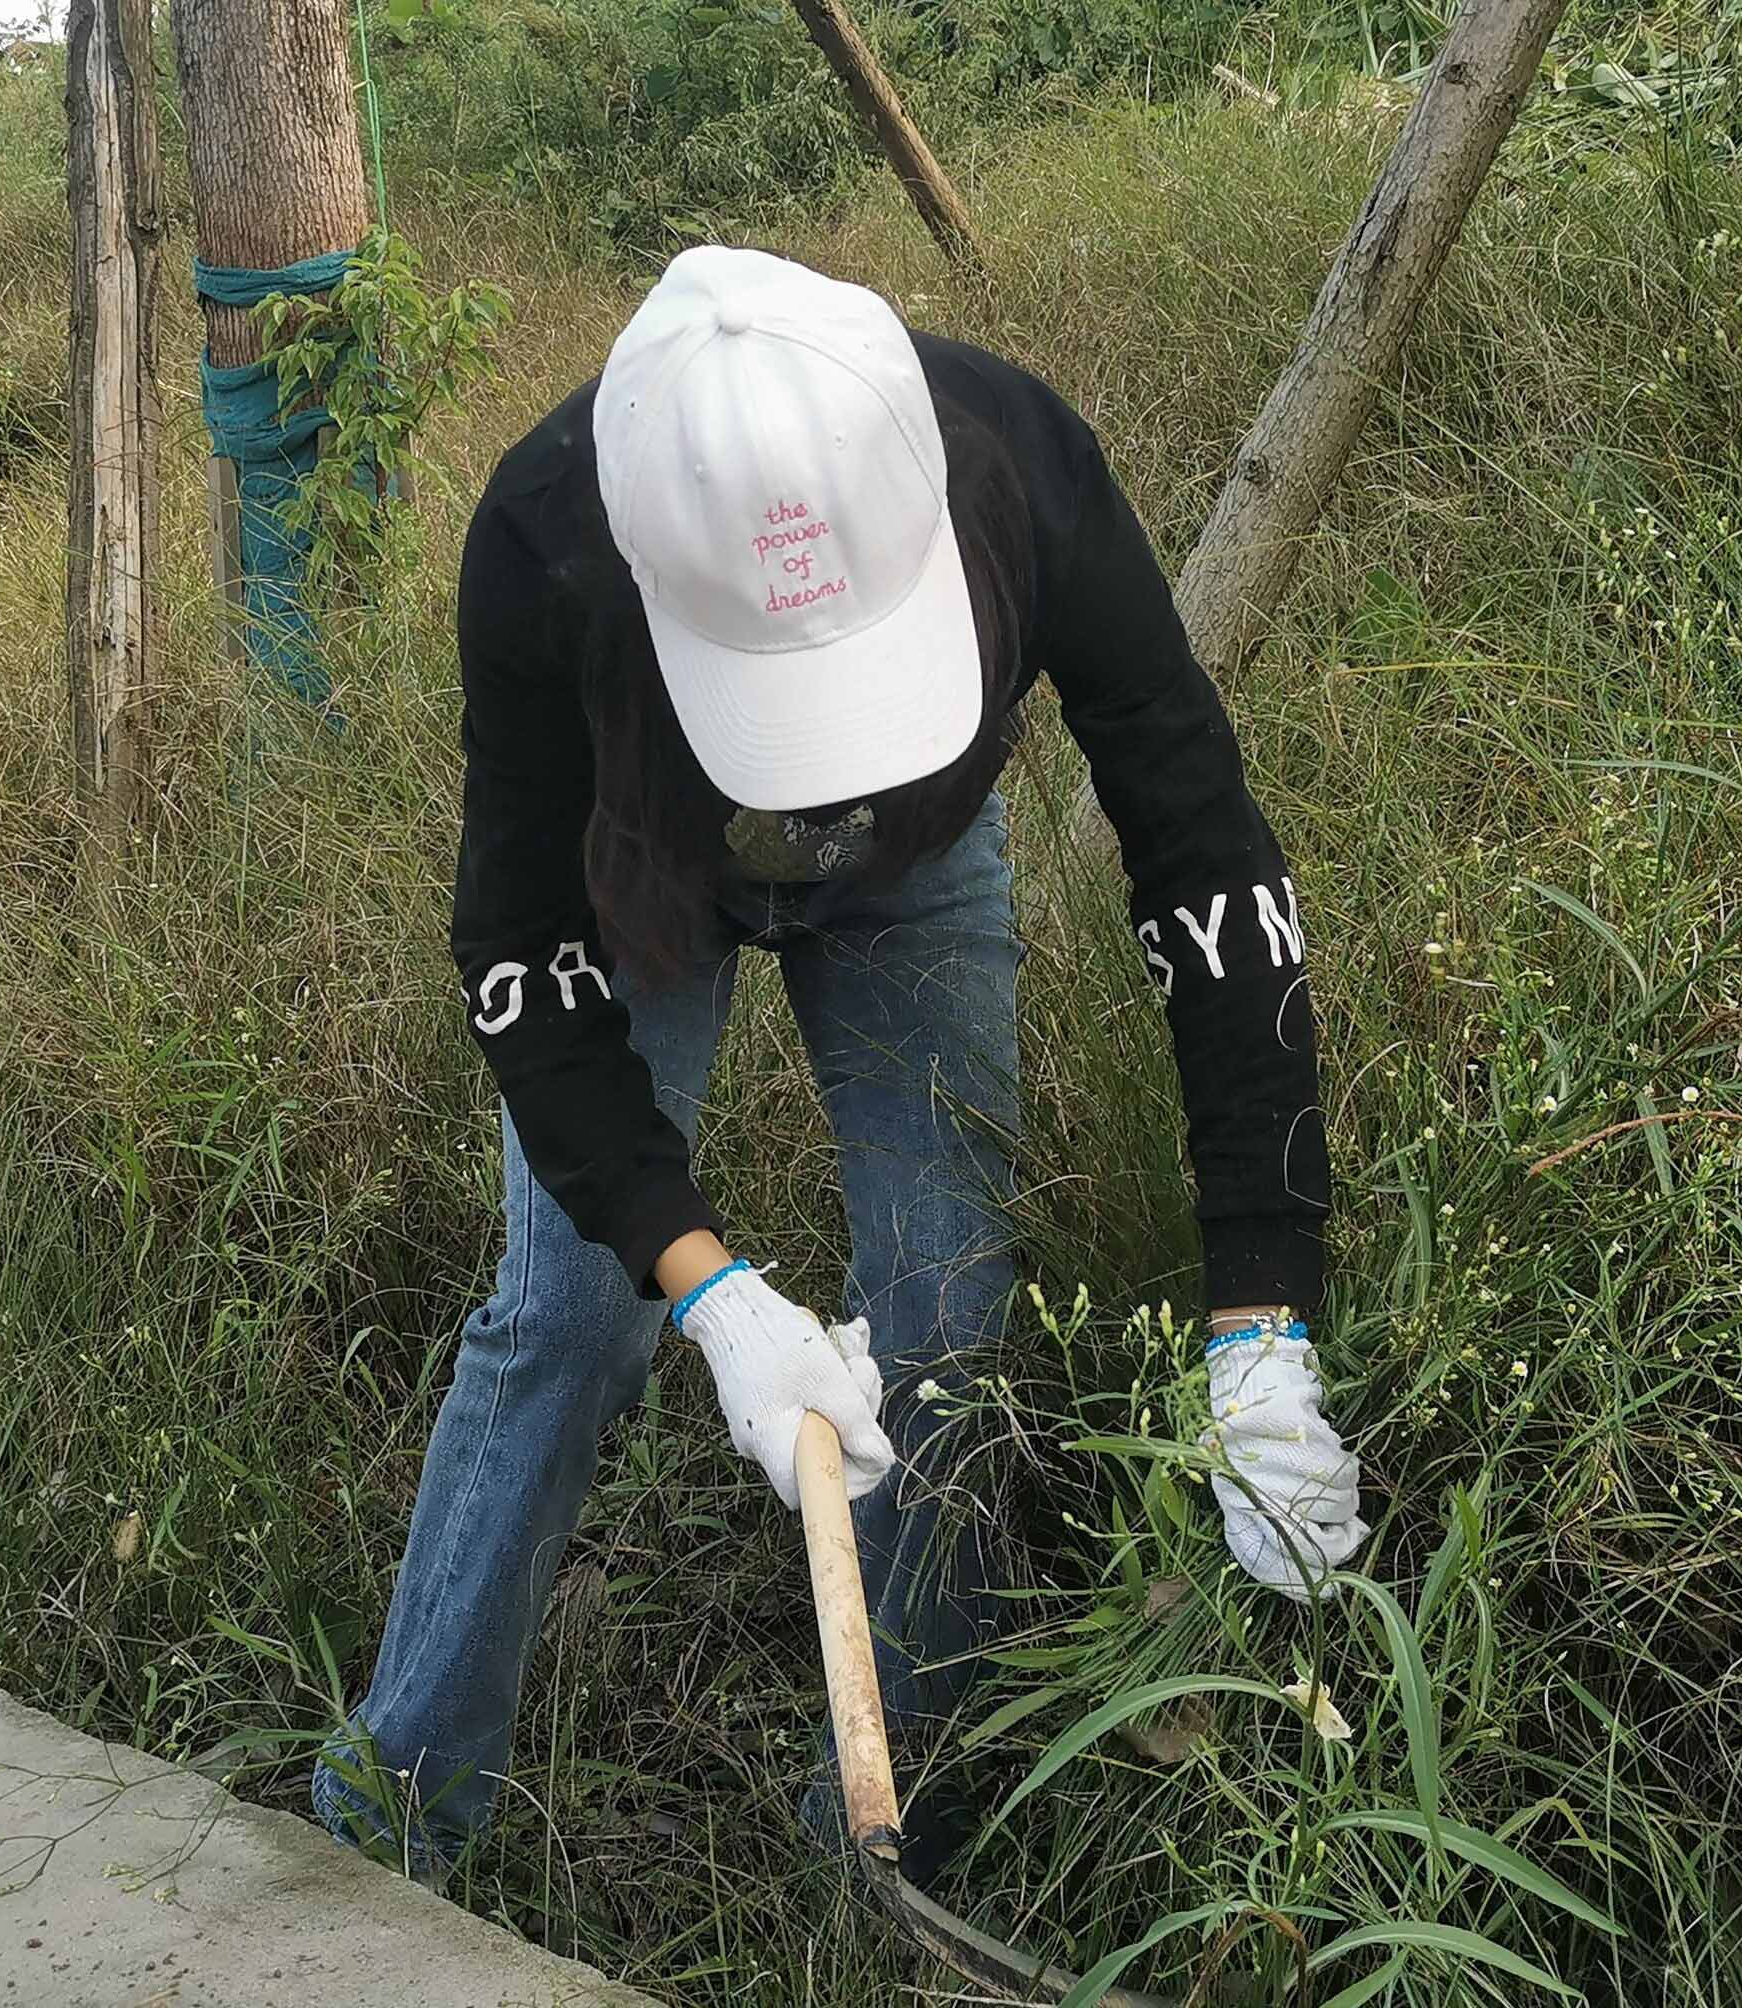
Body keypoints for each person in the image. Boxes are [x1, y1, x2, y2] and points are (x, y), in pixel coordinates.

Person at [314, 245, 1371, 1886]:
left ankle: (888, 1841)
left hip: (916, 875)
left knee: (947, 1317)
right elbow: (517, 958)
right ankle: (386, 1831)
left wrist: (1263, 1319)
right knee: (571, 1318)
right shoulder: (543, 535)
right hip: (638, 879)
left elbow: (1207, 865)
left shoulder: (1021, 463)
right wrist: (711, 1290)